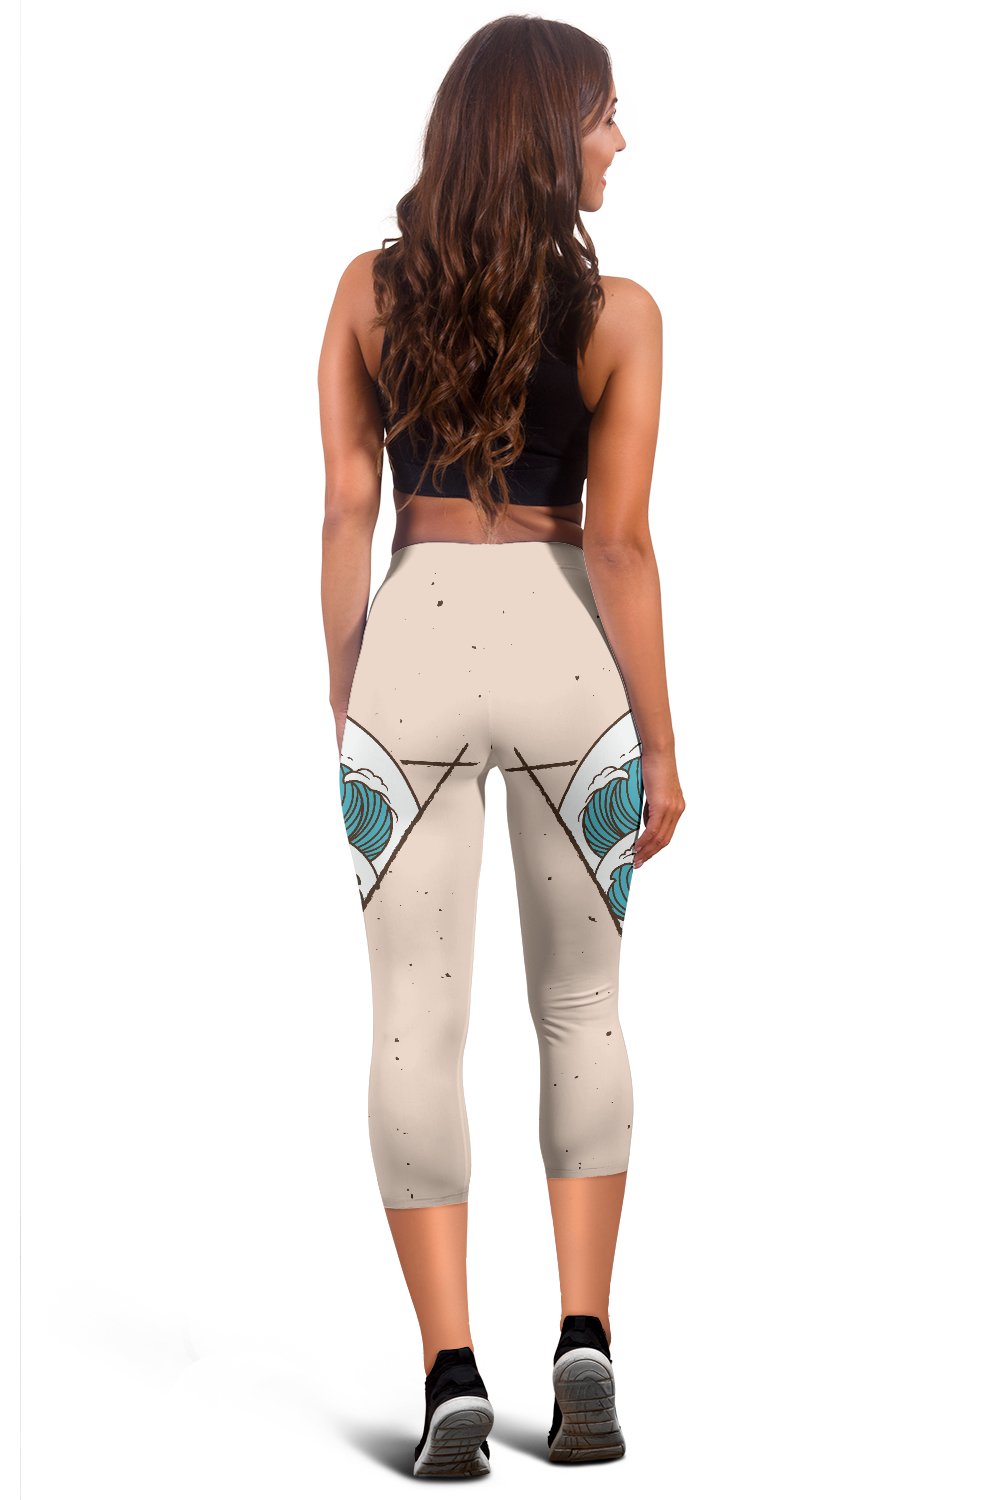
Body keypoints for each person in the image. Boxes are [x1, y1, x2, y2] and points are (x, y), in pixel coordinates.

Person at [318, 15, 684, 1478]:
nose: (619, 141)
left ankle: (450, 1375)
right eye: (602, 115)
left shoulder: (366, 292)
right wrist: (663, 744)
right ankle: (585, 1341)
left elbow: (347, 513)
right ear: (543, 131)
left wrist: (350, 688)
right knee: (582, 1008)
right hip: (563, 648)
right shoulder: (621, 316)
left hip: (410, 644)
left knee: (415, 1020)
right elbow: (625, 544)